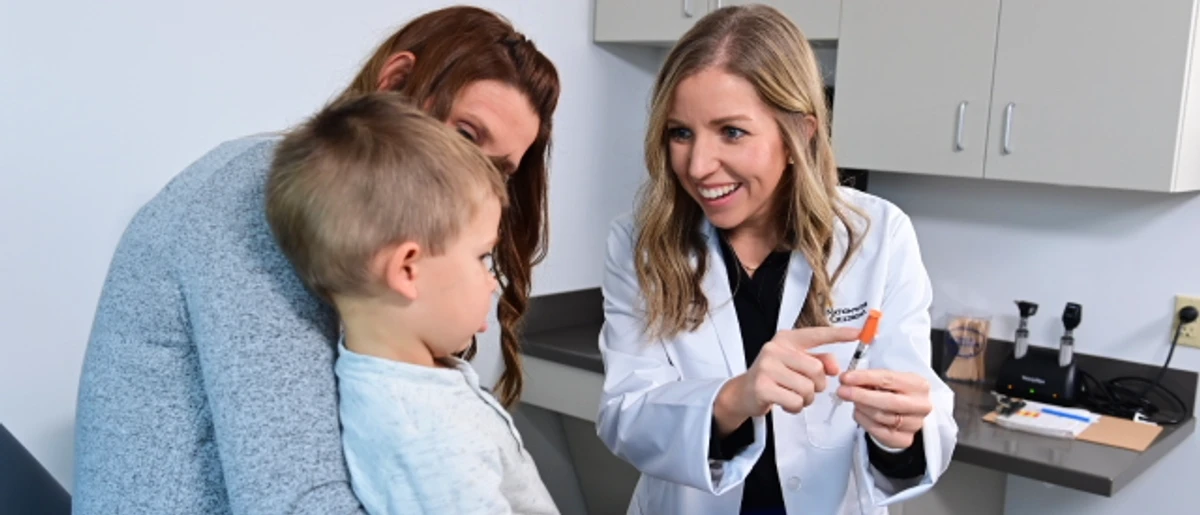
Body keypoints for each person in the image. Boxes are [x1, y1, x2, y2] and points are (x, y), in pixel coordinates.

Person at [73, 6, 559, 514]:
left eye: (498, 169)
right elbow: (297, 502)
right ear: (395, 83)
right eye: (464, 136)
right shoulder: (259, 198)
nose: (475, 178)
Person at [595, 5, 957, 515]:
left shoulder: (877, 236)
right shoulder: (642, 244)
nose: (698, 166)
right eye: (681, 133)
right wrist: (736, 398)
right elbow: (624, 416)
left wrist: (901, 433)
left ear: (800, 134)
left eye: (732, 132)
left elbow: (921, 415)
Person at [265, 92, 558, 515]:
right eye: (482, 258)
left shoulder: (410, 382)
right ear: (407, 270)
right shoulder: (424, 437)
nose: (493, 282)